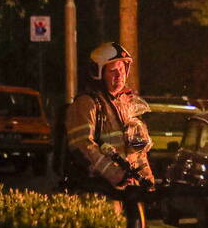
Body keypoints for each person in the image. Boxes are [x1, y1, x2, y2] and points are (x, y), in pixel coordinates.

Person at [64, 42, 154, 189]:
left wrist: (147, 180)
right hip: (99, 189)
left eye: (122, 69)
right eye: (113, 71)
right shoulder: (86, 104)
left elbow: (137, 151)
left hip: (127, 189)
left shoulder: (126, 104)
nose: (119, 76)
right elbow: (82, 146)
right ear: (98, 74)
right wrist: (117, 175)